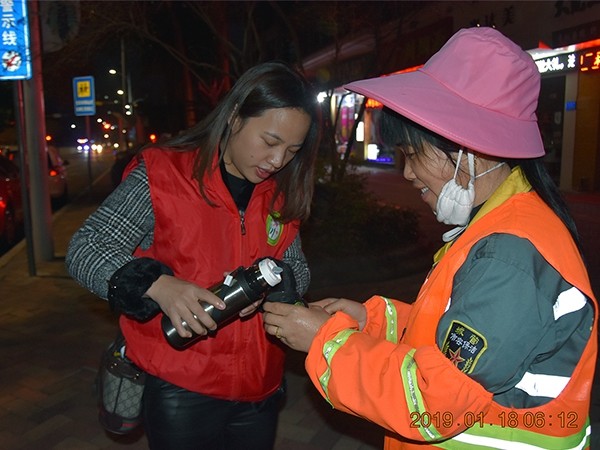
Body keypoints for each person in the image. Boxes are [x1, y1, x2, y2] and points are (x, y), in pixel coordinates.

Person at [262, 27, 597, 449]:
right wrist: (372, 322)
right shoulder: (505, 228)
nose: (406, 173)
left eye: (414, 154)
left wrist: (325, 343)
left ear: (470, 149)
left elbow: (433, 401)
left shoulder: (509, 254)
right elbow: (462, 338)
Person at [66, 61, 321, 450]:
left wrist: (271, 291)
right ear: (235, 117)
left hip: (260, 384)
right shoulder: (164, 173)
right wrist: (158, 285)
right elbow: (87, 247)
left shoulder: (279, 193)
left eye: (292, 150)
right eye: (269, 142)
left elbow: (297, 269)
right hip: (180, 384)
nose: (277, 161)